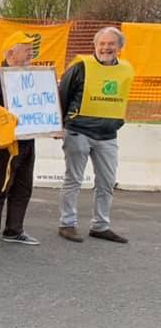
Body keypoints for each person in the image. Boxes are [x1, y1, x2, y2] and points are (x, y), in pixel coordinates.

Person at [57, 26, 133, 244]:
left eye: (111, 44)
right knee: (74, 179)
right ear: (95, 45)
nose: (106, 48)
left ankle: (100, 226)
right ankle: (67, 223)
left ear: (119, 47)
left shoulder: (126, 70)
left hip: (108, 135)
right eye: (102, 43)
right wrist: (60, 124)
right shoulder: (80, 67)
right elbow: (63, 95)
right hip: (78, 131)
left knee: (107, 182)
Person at [0, 32, 41, 248]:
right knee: (1, 186)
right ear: (11, 53)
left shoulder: (32, 77)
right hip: (6, 144)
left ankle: (14, 230)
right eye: (26, 50)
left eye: (31, 50)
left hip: (28, 140)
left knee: (23, 187)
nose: (31, 54)